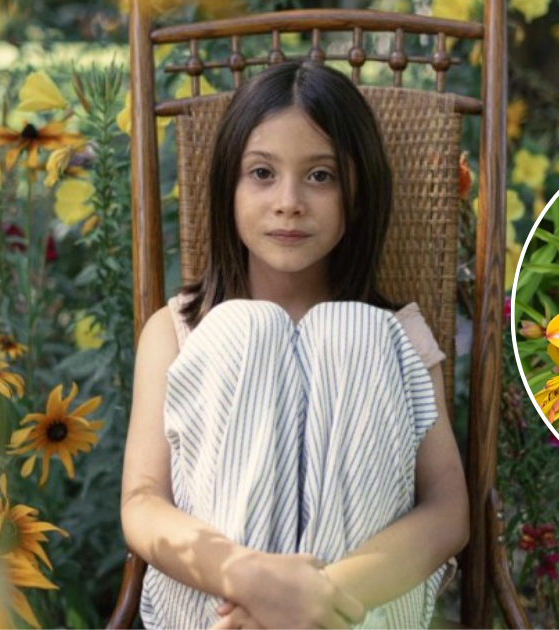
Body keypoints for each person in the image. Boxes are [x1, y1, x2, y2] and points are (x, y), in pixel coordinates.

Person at [120, 61, 469, 630]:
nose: (289, 201)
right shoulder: (178, 330)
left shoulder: (393, 335)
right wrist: (253, 579)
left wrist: (313, 599)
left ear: (357, 193)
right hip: (218, 601)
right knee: (245, 330)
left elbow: (448, 510)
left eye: (321, 176)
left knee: (353, 333)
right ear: (226, 188)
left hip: (352, 610)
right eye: (261, 173)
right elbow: (142, 501)